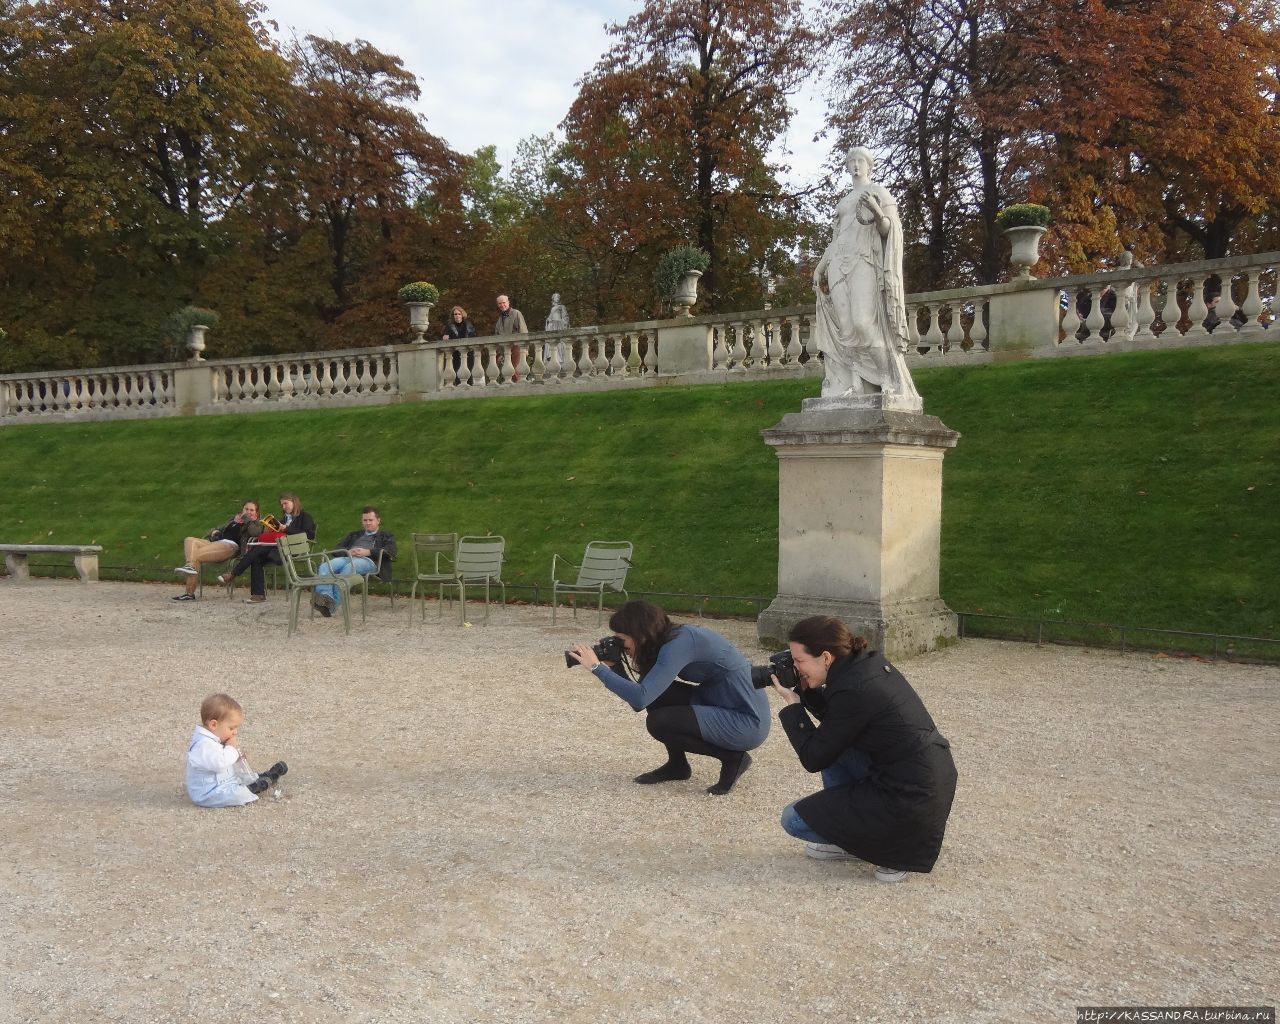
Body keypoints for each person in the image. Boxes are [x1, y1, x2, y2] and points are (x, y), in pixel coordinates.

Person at [770, 615, 957, 883]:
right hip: (922, 774)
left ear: (825, 657)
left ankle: (890, 849)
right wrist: (806, 690)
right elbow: (839, 723)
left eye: (799, 661)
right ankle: (852, 834)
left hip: (910, 797)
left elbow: (813, 758)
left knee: (792, 820)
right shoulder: (862, 664)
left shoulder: (854, 688)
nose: (796, 668)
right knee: (836, 747)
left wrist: (792, 705)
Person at [567, 600, 770, 796]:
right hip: (720, 702)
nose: (621, 645)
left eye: (623, 639)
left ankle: (733, 758)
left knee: (659, 723)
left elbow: (640, 698)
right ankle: (677, 766)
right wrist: (615, 665)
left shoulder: (680, 644)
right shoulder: (667, 639)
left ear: (640, 634)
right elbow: (642, 697)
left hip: (746, 720)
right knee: (659, 696)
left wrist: (596, 668)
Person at [812, 147, 921, 408]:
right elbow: (836, 240)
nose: (856, 165)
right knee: (846, 329)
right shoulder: (844, 203)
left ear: (869, 166)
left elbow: (889, 230)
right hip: (839, 264)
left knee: (864, 323)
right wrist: (820, 267)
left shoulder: (879, 193)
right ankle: (854, 383)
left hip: (864, 261)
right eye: (852, 162)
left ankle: (887, 380)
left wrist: (878, 211)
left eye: (861, 161)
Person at [185, 693, 287, 808]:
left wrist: (237, 757)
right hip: (209, 793)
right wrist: (232, 749)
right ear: (214, 725)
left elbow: (223, 759)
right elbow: (220, 764)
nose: (235, 732)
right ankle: (252, 788)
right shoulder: (202, 745)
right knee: (237, 794)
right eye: (231, 728)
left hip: (224, 782)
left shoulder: (214, 738)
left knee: (241, 777)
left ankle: (258, 777)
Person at [220, 492, 316, 604]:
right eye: (282, 505)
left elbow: (308, 535)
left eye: (286, 503)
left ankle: (233, 574)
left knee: (258, 550)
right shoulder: (283, 519)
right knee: (257, 557)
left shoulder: (305, 517)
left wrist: (286, 529)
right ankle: (258, 595)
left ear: (294, 502)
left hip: (293, 550)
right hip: (276, 550)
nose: (284, 507)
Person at [311, 505, 397, 618]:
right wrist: (348, 551)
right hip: (348, 557)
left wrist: (368, 552)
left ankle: (331, 606)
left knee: (347, 569)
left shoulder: (386, 536)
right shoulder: (354, 534)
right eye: (365, 520)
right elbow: (337, 548)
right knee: (325, 566)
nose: (368, 523)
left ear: (378, 520)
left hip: (369, 561)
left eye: (371, 520)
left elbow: (391, 551)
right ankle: (326, 597)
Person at [172, 500, 263, 601]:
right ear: (242, 509)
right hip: (217, 543)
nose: (248, 512)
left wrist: (247, 518)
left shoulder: (256, 523)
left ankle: (189, 591)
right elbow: (219, 528)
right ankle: (190, 568)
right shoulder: (234, 519)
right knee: (189, 540)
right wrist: (215, 531)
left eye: (252, 510)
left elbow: (255, 533)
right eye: (246, 509)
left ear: (256, 513)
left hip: (230, 546)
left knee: (195, 555)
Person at [494, 294, 528, 382]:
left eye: (504, 302)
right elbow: (498, 338)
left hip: (517, 347)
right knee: (509, 372)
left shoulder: (516, 313)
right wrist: (500, 353)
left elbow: (523, 331)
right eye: (499, 303)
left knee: (515, 370)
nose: (502, 305)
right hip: (506, 349)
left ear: (508, 302)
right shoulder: (499, 320)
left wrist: (526, 348)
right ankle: (517, 390)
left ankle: (520, 389)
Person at [441, 306, 477, 380]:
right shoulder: (449, 325)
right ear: (453, 315)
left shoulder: (468, 324)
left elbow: (473, 337)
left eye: (459, 314)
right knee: (457, 374)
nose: (457, 315)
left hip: (468, 353)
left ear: (462, 315)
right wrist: (445, 337)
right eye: (455, 314)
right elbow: (445, 336)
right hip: (455, 354)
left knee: (469, 373)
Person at [543, 292, 570, 370]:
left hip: (558, 326)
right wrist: (548, 321)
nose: (557, 298)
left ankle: (560, 360)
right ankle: (552, 359)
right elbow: (550, 317)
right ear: (553, 298)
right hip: (552, 327)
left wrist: (563, 324)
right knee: (551, 343)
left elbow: (565, 317)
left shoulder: (562, 306)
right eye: (556, 297)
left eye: (558, 297)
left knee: (559, 344)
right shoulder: (552, 308)